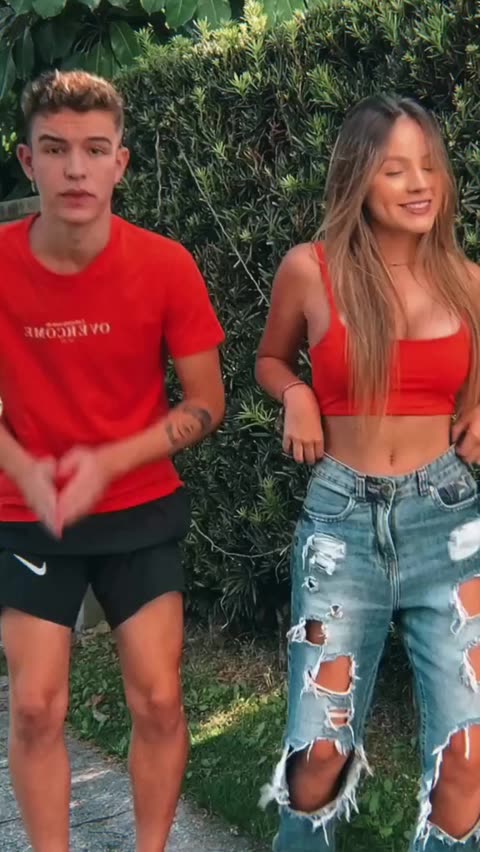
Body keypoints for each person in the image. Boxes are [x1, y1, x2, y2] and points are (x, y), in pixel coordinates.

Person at [0, 69, 225, 852]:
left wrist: (108, 461)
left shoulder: (165, 265)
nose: (75, 169)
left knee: (159, 699)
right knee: (35, 707)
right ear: (27, 160)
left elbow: (206, 402)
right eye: (55, 148)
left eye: (95, 150)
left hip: (139, 508)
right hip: (29, 512)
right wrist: (26, 469)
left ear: (120, 163)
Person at [256, 94, 480, 851]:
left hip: (447, 525)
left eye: (430, 167)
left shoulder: (468, 282)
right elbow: (270, 358)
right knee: (319, 756)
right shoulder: (310, 270)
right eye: (395, 170)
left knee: (468, 759)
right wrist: (295, 394)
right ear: (358, 178)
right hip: (341, 527)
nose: (420, 184)